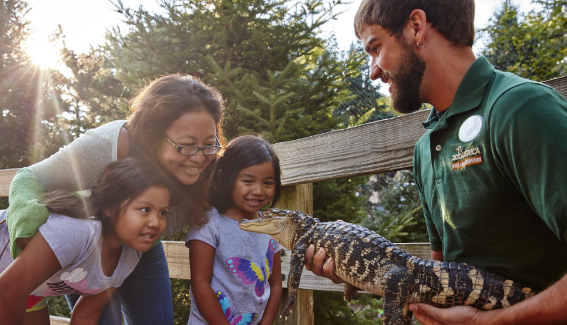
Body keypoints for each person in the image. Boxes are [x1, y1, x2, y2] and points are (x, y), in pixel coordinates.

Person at [305, 1, 567, 324]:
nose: (372, 71)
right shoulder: (425, 149)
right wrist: (358, 270)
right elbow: (435, 282)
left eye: (375, 49)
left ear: (416, 27)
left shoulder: (520, 109)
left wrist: (485, 322)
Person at [6, 74, 225, 324]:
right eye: (186, 145)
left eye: (209, 143)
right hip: (90, 248)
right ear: (154, 134)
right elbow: (29, 178)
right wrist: (27, 223)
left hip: (142, 250)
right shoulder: (105, 147)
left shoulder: (209, 166)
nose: (198, 158)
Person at [0, 158, 171, 325]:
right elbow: (7, 292)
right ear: (109, 207)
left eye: (162, 213)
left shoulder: (131, 255)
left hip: (22, 282)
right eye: (144, 209)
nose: (155, 222)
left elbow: (86, 317)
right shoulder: (77, 231)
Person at [187, 135, 283, 325]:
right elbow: (200, 285)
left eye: (268, 183)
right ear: (224, 177)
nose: (258, 190)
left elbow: (276, 284)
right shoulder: (209, 223)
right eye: (248, 181)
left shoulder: (271, 229)